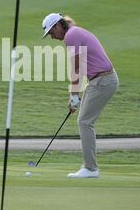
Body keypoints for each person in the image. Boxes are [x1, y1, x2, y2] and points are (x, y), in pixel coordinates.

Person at [42, 12, 119, 178]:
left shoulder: (71, 35)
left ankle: (91, 169)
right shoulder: (74, 33)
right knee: (84, 121)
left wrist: (74, 95)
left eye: (51, 32)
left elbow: (75, 68)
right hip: (100, 80)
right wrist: (75, 97)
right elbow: (82, 69)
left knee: (85, 122)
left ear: (58, 26)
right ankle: (90, 167)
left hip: (103, 80)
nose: (52, 37)